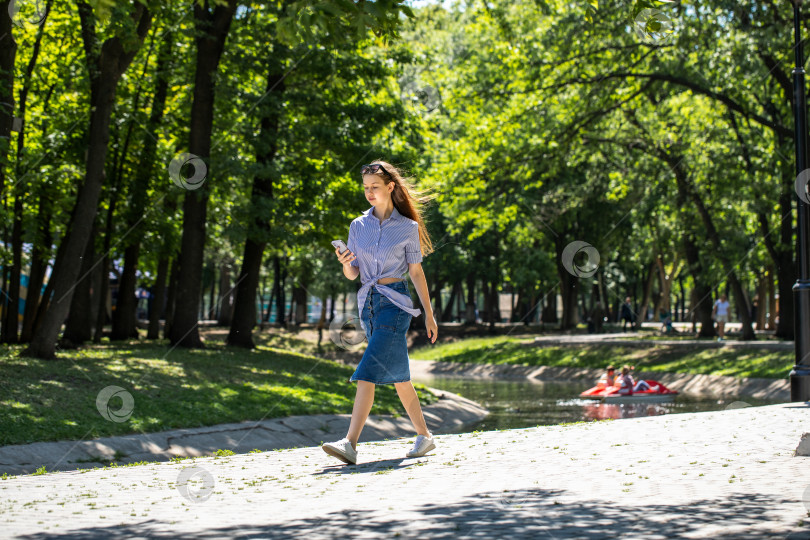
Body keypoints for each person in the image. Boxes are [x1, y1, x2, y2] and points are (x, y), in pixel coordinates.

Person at [321, 160, 439, 465]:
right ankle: (425, 437)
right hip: (369, 304)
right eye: (365, 188)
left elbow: (415, 272)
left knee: (368, 371)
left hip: (395, 305)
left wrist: (428, 312)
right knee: (401, 379)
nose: (369, 192)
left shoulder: (408, 228)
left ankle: (350, 442)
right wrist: (346, 263)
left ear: (390, 187)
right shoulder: (357, 226)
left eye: (375, 187)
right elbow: (353, 273)